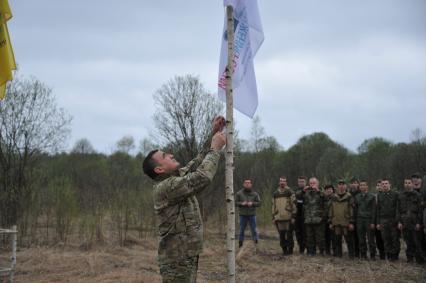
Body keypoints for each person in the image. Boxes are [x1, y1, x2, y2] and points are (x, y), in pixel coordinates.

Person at [142, 116, 226, 283]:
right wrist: (215, 149)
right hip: (177, 260)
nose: (171, 154)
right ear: (159, 169)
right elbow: (202, 176)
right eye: (165, 155)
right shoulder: (166, 187)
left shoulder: (175, 178)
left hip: (185, 255)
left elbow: (196, 164)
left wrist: (213, 135)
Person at [397, 178, 425, 263]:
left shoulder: (417, 195)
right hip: (404, 219)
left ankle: (419, 258)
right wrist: (399, 222)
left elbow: (420, 210)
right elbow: (398, 210)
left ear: (412, 184)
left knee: (416, 240)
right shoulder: (401, 195)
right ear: (404, 184)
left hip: (414, 219)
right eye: (405, 183)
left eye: (409, 183)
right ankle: (409, 257)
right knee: (408, 240)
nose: (407, 184)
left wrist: (419, 223)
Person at [329, 180, 355, 258]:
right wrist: (330, 221)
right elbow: (331, 209)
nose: (341, 186)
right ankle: (339, 254)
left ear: (345, 186)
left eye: (343, 184)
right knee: (337, 239)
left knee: (349, 239)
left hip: (346, 221)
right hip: (336, 222)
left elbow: (352, 210)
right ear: (337, 186)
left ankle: (351, 255)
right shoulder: (333, 196)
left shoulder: (349, 196)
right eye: (339, 184)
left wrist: (351, 222)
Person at [272, 177, 297, 255]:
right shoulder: (275, 193)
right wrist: (273, 217)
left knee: (289, 235)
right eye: (281, 181)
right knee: (282, 235)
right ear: (279, 183)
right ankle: (284, 250)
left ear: (286, 183)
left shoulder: (290, 192)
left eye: (284, 181)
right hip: (279, 217)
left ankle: (290, 251)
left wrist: (293, 216)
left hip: (288, 217)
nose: (282, 182)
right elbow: (273, 205)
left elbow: (294, 205)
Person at [377, 179, 400, 261]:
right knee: (386, 238)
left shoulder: (395, 194)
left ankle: (395, 255)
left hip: (392, 219)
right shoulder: (379, 196)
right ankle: (389, 254)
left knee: (394, 238)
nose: (384, 185)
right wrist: (378, 222)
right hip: (383, 220)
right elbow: (378, 209)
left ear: (390, 185)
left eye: (386, 183)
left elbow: (398, 208)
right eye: (383, 184)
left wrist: (397, 220)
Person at [354, 180, 376, 260]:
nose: (362, 187)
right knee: (361, 239)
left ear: (367, 186)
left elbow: (374, 210)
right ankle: (363, 254)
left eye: (364, 185)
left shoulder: (372, 197)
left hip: (369, 220)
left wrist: (373, 222)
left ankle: (373, 255)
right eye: (361, 185)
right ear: (359, 187)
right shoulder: (357, 197)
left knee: (371, 239)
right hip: (360, 220)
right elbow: (355, 210)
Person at [303, 177, 326, 256]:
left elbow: (327, 199)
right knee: (310, 237)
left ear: (318, 184)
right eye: (311, 183)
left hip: (318, 218)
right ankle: (311, 251)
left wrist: (318, 191)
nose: (312, 185)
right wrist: (303, 191)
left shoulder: (322, 192)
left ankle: (322, 251)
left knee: (320, 237)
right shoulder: (306, 193)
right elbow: (298, 198)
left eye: (314, 183)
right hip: (309, 218)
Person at [236, 179, 261, 248]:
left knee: (254, 230)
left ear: (251, 184)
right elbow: (235, 203)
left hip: (252, 215)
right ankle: (240, 244)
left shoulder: (255, 194)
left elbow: (259, 203)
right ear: (243, 184)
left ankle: (256, 243)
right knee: (241, 230)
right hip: (242, 215)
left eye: (248, 183)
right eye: (246, 183)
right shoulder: (239, 193)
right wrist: (241, 203)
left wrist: (252, 203)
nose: (247, 184)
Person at [294, 176, 307, 254]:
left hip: (305, 215)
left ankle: (305, 247)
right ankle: (301, 248)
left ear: (305, 182)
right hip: (297, 215)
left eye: (302, 181)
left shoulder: (308, 190)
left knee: (305, 232)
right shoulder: (295, 191)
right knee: (298, 232)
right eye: (300, 181)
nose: (301, 183)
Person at [348, 178, 360, 258]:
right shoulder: (348, 194)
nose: (353, 184)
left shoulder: (360, 193)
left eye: (355, 183)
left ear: (358, 184)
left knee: (358, 237)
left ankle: (358, 253)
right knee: (350, 237)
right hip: (350, 218)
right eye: (352, 183)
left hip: (359, 218)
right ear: (350, 185)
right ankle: (351, 253)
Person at [374, 179, 386, 260]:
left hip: (384, 219)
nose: (379, 187)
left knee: (385, 237)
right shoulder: (374, 196)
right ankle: (381, 253)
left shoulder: (386, 195)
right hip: (376, 220)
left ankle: (386, 253)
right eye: (377, 185)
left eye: (380, 185)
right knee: (378, 238)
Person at [323, 184, 336, 256]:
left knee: (334, 236)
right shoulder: (323, 198)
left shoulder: (335, 198)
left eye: (330, 189)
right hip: (325, 220)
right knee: (326, 236)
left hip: (333, 220)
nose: (328, 190)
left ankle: (335, 251)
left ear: (333, 190)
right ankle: (327, 251)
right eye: (327, 189)